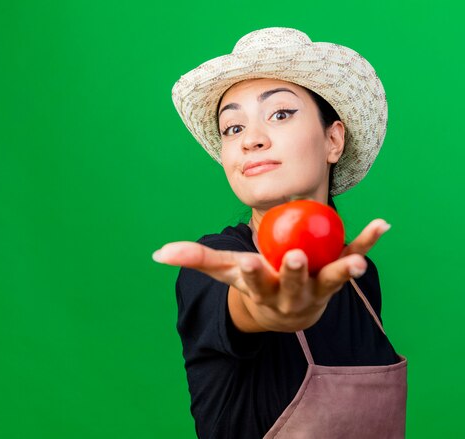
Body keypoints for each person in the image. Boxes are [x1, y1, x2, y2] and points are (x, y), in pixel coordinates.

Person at [153, 27, 407, 439]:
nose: (251, 139)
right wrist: (275, 311)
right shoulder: (217, 267)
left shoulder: (359, 276)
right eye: (233, 128)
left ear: (333, 139)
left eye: (281, 114)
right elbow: (251, 307)